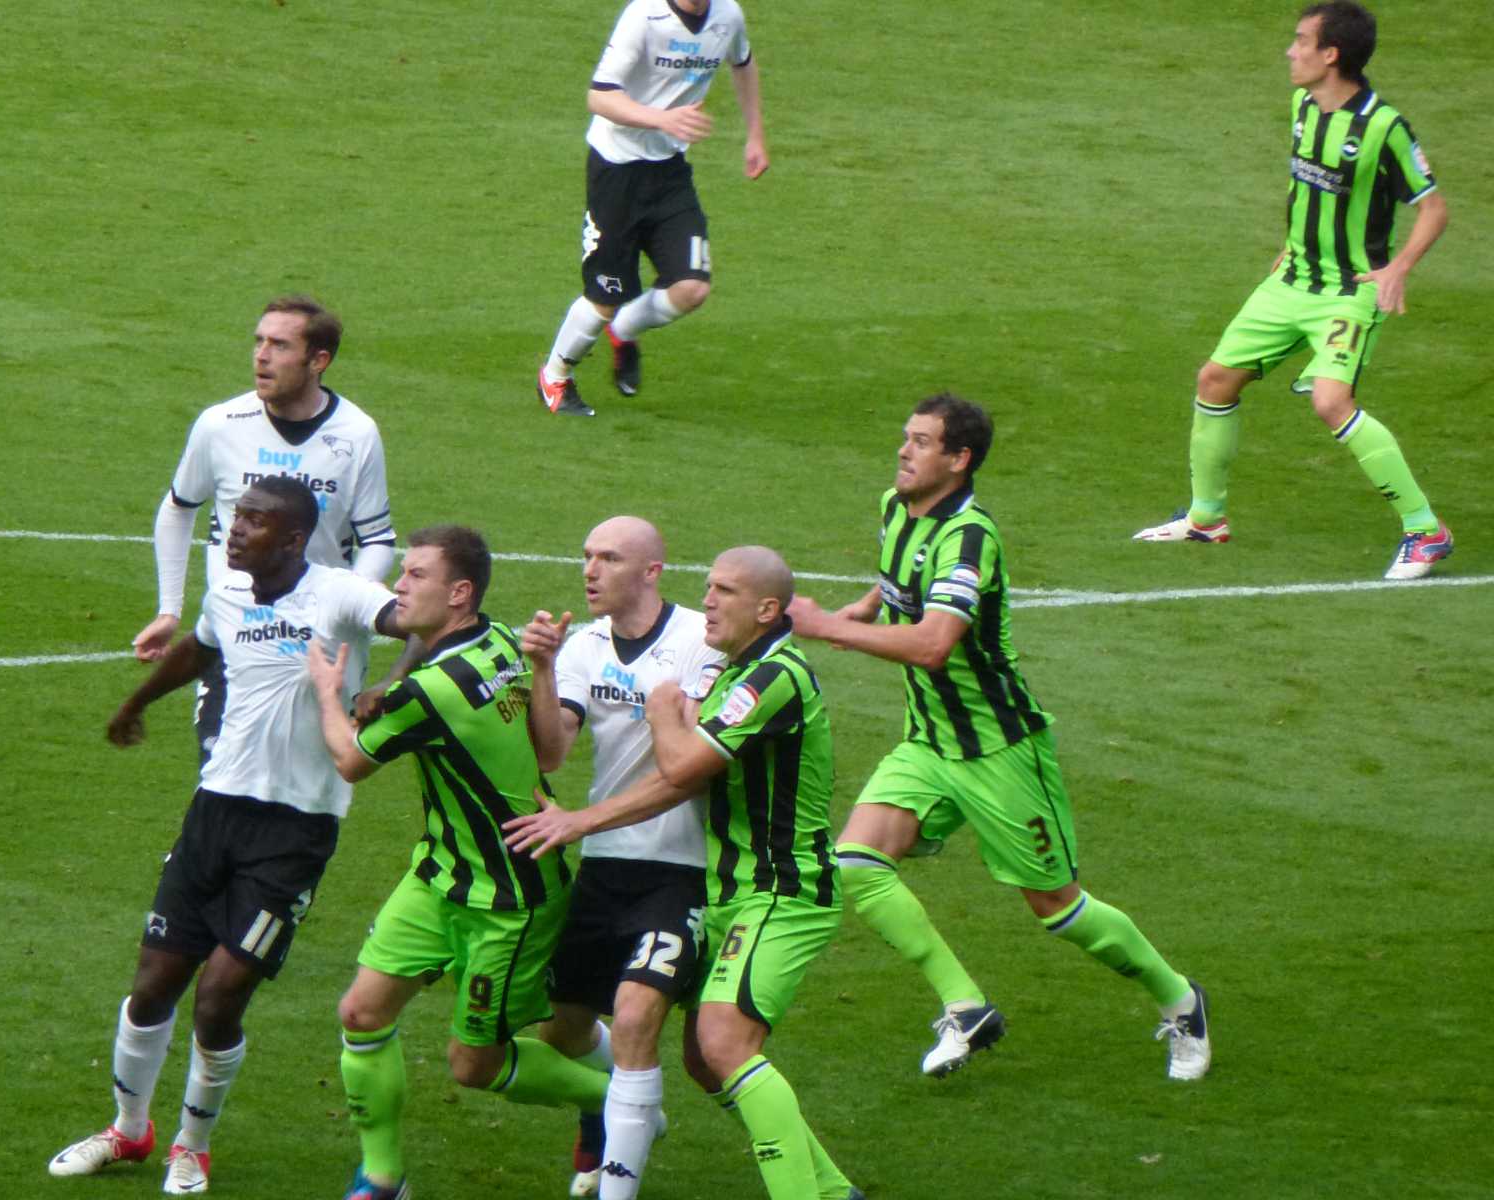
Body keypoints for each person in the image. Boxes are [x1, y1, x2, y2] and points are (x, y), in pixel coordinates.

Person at [789, 394, 1212, 1083]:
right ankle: (966, 1006)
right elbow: (897, 582)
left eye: (922, 442)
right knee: (858, 861)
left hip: (1001, 751)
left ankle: (1181, 999)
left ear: (959, 461)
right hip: (927, 742)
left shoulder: (971, 538)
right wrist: (867, 605)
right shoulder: (897, 507)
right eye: (906, 437)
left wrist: (825, 627)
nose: (904, 450)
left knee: (1059, 910)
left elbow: (933, 645)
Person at [48, 476, 408, 1194]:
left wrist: (392, 684)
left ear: (295, 538)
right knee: (152, 986)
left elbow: (426, 623)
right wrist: (136, 701)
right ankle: (128, 1131)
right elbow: (200, 647)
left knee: (219, 997)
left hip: (297, 830)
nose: (235, 529)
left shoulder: (339, 593)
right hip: (215, 812)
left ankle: (192, 1145)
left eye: (253, 520)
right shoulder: (229, 594)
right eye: (234, 516)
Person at [508, 547, 863, 1200]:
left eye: (724, 590)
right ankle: (835, 1189)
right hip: (734, 891)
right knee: (705, 1061)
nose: (706, 599)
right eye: (706, 587)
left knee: (725, 1044)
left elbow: (681, 769)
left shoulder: (772, 676)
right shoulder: (738, 671)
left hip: (781, 891)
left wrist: (665, 712)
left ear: (765, 608)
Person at [306, 526, 610, 1200]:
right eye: (404, 572)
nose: (400, 586)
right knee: (362, 1014)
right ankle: (384, 1178)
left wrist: (328, 693)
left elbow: (350, 761)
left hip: (509, 896)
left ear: (460, 593)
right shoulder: (498, 640)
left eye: (416, 576)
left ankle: (617, 1104)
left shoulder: (433, 693)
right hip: (440, 872)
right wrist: (398, 675)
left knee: (474, 1067)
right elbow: (551, 755)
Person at [1133, 2, 1452, 581]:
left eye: (1301, 41)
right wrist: (1290, 244)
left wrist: (1400, 266)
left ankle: (1426, 530)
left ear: (1332, 54)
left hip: (1347, 291)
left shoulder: (1383, 126)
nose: (1290, 51)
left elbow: (1432, 207)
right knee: (1215, 379)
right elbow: (1307, 187)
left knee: (1331, 401)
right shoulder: (1304, 105)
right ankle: (1207, 518)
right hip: (1290, 280)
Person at [520, 516, 724, 1199]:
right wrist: (542, 672)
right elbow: (552, 753)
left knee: (635, 1014)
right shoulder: (583, 646)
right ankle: (626, 1108)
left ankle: (616, 1184)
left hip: (683, 869)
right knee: (564, 1027)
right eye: (586, 556)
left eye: (608, 557)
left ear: (651, 571)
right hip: (606, 866)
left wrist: (579, 820)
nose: (590, 569)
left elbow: (687, 770)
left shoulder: (702, 640)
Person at [132, 294, 396, 760]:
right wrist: (169, 609)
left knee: (307, 788)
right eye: (258, 342)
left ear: (319, 360)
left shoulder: (356, 434)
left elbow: (376, 539)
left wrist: (342, 598)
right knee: (220, 774)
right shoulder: (221, 425)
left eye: (279, 345)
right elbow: (178, 508)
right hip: (237, 630)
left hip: (318, 644)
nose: (261, 355)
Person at [535, 0, 769, 417]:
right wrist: (661, 120)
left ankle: (624, 332)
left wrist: (755, 135)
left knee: (692, 287)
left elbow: (743, 62)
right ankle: (555, 375)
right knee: (604, 296)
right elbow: (600, 96)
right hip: (616, 170)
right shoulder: (643, 16)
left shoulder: (727, 16)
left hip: (669, 173)